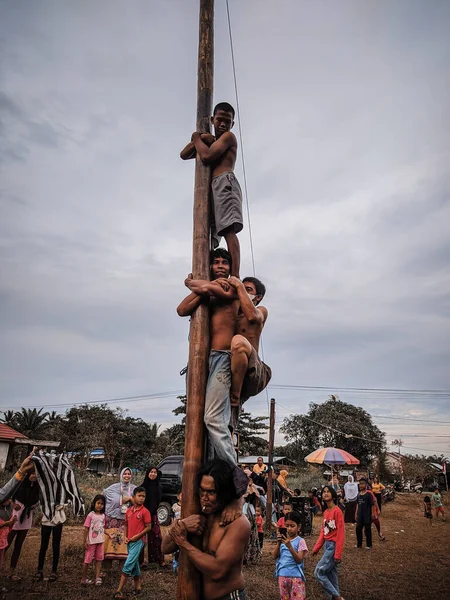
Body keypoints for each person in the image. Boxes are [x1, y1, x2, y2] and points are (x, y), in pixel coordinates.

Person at [177, 248, 249, 497]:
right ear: (208, 266)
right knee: (200, 423)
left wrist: (189, 282)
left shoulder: (230, 287)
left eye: (224, 262)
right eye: (215, 262)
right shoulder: (208, 290)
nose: (220, 266)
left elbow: (210, 290)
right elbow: (181, 309)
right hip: (201, 361)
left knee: (212, 419)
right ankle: (211, 476)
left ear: (230, 267)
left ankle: (234, 471)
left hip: (222, 359)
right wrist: (200, 288)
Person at [162, 460, 251, 600]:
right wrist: (183, 525)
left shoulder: (238, 524)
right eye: (202, 490)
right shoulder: (200, 513)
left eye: (211, 492)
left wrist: (184, 543)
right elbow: (165, 547)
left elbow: (217, 570)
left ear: (224, 492)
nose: (204, 498)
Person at [180, 102, 242, 277]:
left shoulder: (229, 137)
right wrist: (201, 137)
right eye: (219, 120)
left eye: (227, 121)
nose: (223, 124)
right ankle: (205, 274)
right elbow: (184, 154)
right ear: (212, 120)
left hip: (225, 183)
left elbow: (206, 157)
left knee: (228, 229)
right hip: (212, 189)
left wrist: (196, 137)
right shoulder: (212, 141)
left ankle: (235, 276)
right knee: (211, 236)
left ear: (232, 124)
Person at [219, 276, 271, 408]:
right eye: (241, 288)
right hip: (232, 368)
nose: (241, 291)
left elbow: (253, 316)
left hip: (252, 370)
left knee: (238, 342)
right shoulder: (232, 313)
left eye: (248, 289)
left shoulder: (261, 311)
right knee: (224, 420)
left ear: (258, 297)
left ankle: (235, 395)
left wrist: (239, 286)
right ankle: (234, 403)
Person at [114, 487, 152, 599]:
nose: (141, 498)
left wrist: (137, 536)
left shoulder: (145, 511)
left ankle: (119, 590)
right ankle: (138, 587)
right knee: (134, 564)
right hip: (129, 541)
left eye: (143, 496)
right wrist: (126, 536)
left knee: (128, 564)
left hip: (139, 541)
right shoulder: (129, 511)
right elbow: (125, 524)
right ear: (134, 497)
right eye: (139, 496)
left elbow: (148, 527)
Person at [312, 486, 345, 600]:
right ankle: (335, 596)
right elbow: (323, 531)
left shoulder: (337, 511)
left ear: (333, 495)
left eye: (328, 491)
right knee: (332, 574)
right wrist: (316, 548)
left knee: (319, 573)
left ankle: (336, 597)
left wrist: (338, 554)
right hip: (327, 545)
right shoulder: (326, 512)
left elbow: (340, 533)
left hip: (333, 547)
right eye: (324, 492)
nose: (325, 493)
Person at [7, 470, 40, 581]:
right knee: (6, 542)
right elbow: (8, 494)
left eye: (36, 474)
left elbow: (37, 500)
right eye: (32, 473)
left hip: (27, 515)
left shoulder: (36, 487)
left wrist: (33, 506)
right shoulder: (20, 484)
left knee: (18, 545)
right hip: (17, 513)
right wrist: (13, 504)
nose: (34, 476)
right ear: (28, 474)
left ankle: (11, 573)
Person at [103, 467, 136, 564]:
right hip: (112, 519)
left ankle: (123, 569)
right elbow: (102, 495)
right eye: (125, 474)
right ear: (121, 475)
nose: (127, 475)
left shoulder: (134, 488)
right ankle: (106, 568)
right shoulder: (113, 488)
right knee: (110, 542)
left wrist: (130, 498)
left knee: (123, 543)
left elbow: (138, 503)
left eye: (129, 474)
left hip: (125, 520)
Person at [274, 511, 308, 600]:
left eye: (292, 526)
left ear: (299, 527)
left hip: (296, 577)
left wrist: (290, 547)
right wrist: (278, 543)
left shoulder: (300, 541)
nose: (289, 529)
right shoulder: (283, 540)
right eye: (287, 526)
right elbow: (275, 556)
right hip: (282, 575)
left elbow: (299, 559)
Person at [140, 466, 166, 568]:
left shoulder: (159, 487)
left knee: (156, 537)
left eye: (155, 472)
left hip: (153, 515)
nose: (153, 474)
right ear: (147, 473)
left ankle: (157, 560)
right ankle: (140, 562)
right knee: (141, 538)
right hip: (142, 515)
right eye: (151, 472)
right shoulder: (142, 487)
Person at [35, 502, 67, 581]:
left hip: (58, 518)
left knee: (56, 545)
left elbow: (66, 499)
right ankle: (40, 570)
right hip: (46, 518)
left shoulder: (60, 490)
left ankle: (54, 571)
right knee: (43, 545)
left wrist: (62, 505)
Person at [81, 494, 106, 586]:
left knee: (99, 559)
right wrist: (85, 541)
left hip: (100, 541)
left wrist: (108, 533)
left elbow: (103, 528)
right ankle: (83, 578)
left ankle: (97, 577)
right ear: (94, 503)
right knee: (87, 560)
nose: (100, 505)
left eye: (102, 504)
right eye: (98, 503)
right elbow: (86, 528)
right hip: (91, 542)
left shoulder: (103, 516)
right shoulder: (90, 515)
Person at [355, 478, 373, 549]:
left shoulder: (369, 495)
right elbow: (357, 504)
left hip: (367, 515)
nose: (361, 485)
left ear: (366, 484)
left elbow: (372, 505)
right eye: (360, 484)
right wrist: (356, 514)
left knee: (368, 530)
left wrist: (372, 514)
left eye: (362, 484)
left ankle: (369, 545)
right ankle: (359, 544)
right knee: (358, 529)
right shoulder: (358, 494)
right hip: (360, 515)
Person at [0, 499, 16, 574]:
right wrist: (5, 524)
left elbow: (8, 529)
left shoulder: (8, 512)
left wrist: (12, 522)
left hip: (2, 542)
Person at [171, 490, 182, 575]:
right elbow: (172, 516)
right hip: (175, 529)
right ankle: (175, 567)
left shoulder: (187, 506)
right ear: (178, 496)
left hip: (183, 529)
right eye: (181, 495)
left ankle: (181, 567)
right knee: (175, 550)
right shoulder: (174, 506)